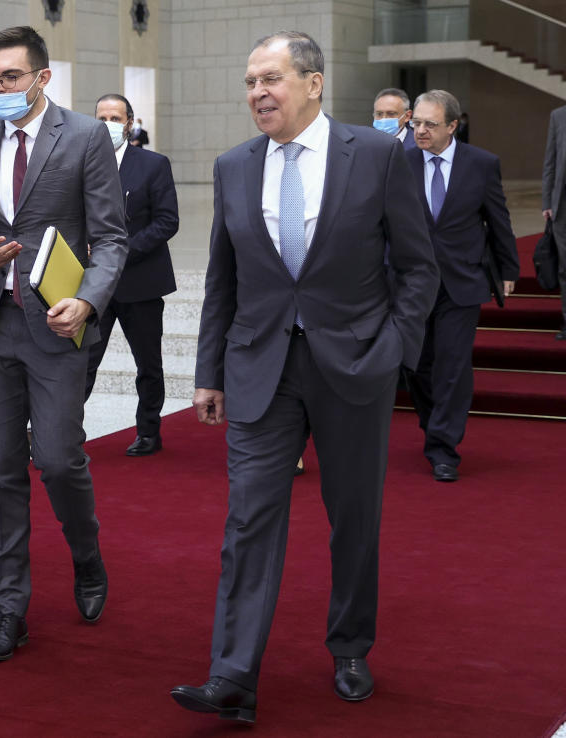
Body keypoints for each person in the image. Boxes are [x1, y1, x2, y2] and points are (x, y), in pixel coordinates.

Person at [170, 31, 438, 724]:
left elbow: (418, 266)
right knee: (248, 518)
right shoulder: (234, 166)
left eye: (272, 78)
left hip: (356, 365)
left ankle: (350, 645)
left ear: (313, 84)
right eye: (250, 80)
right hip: (260, 366)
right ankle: (232, 673)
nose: (258, 91)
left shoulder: (377, 155)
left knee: (353, 517)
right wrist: (209, 372)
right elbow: (224, 282)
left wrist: (395, 348)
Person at [0, 25, 127, 662]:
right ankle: (8, 610)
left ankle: (87, 558)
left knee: (56, 458)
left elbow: (110, 237)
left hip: (56, 322)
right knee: (0, 469)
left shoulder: (83, 136)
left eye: (10, 77)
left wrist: (88, 299)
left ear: (43, 77)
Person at [405, 90, 518, 482]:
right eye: (415, 122)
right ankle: (434, 425)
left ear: (453, 126)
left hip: (462, 281)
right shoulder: (396, 162)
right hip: (411, 283)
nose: (420, 130)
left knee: (453, 366)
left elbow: (497, 219)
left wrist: (508, 268)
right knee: (417, 366)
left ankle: (443, 449)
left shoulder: (481, 164)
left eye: (430, 124)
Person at [86, 93, 178, 456]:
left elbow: (167, 221)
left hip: (140, 281)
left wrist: (123, 251)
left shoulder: (153, 164)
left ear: (129, 122)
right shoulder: (82, 161)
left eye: (115, 117)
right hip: (94, 284)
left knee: (148, 364)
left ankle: (149, 432)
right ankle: (64, 434)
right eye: (101, 117)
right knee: (84, 362)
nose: (108, 123)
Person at [542, 103, 566, 340]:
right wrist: (547, 201)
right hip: (563, 207)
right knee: (565, 268)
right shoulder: (558, 116)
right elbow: (550, 162)